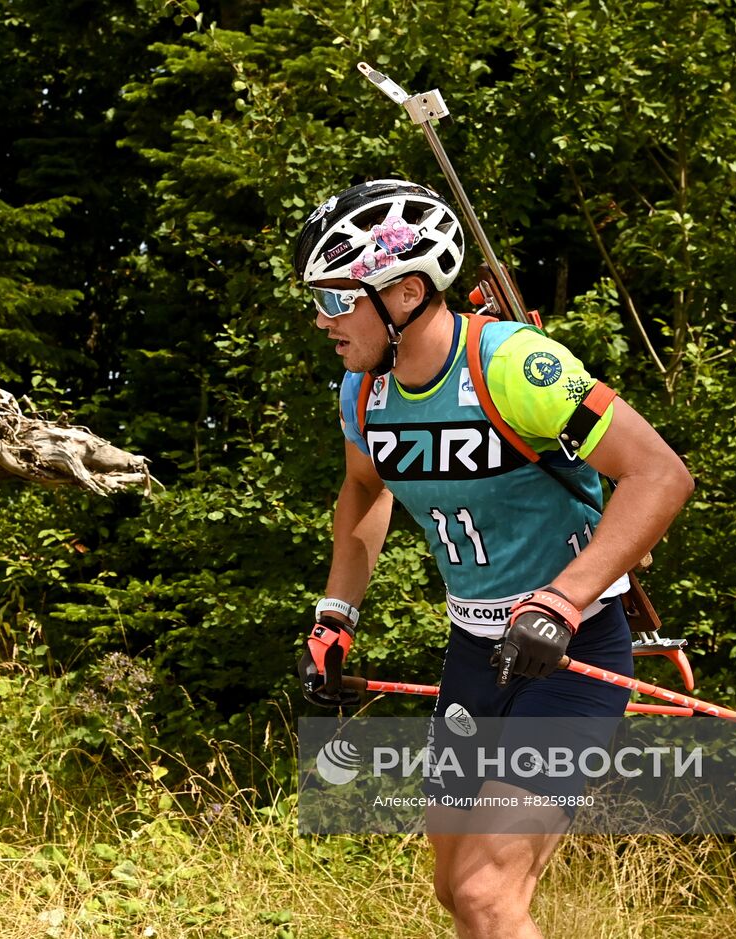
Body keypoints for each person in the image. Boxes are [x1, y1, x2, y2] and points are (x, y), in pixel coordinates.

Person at [293, 179, 694, 938]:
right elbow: (361, 489)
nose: (322, 318)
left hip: (567, 653)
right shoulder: (362, 393)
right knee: (454, 884)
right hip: (475, 655)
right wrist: (335, 616)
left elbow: (660, 475)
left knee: (487, 893)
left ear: (406, 292)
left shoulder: (513, 365)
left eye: (337, 297)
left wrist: (563, 599)